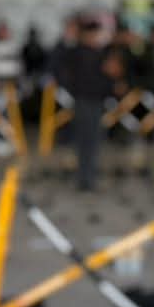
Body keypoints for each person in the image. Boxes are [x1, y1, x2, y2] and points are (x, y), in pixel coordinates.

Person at [55, 16, 119, 191]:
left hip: (94, 101)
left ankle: (88, 178)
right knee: (87, 141)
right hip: (85, 101)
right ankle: (85, 179)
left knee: (92, 141)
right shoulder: (78, 53)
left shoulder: (96, 53)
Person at [21, 25, 47, 90]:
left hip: (39, 75)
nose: (33, 38)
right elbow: (23, 63)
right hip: (28, 75)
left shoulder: (40, 48)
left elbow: (43, 62)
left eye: (34, 35)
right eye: (32, 35)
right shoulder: (25, 48)